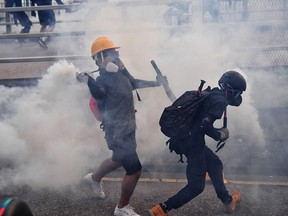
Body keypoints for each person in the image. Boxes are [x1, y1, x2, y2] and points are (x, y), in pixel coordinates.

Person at [77, 36, 161, 216]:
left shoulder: (121, 71)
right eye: (109, 53)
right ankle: (122, 208)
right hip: (117, 132)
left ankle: (93, 179)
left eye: (115, 52)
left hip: (128, 127)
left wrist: (157, 83)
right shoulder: (100, 80)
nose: (114, 56)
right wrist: (88, 80)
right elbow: (99, 94)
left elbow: (134, 83)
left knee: (118, 159)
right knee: (135, 170)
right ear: (99, 59)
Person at [148, 70, 247, 216]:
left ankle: (227, 201)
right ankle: (161, 209)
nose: (239, 97)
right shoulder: (220, 101)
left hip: (185, 138)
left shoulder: (209, 94)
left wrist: (166, 87)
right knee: (196, 186)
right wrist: (220, 135)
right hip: (193, 143)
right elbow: (204, 125)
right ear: (232, 91)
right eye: (239, 93)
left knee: (215, 164)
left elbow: (183, 107)